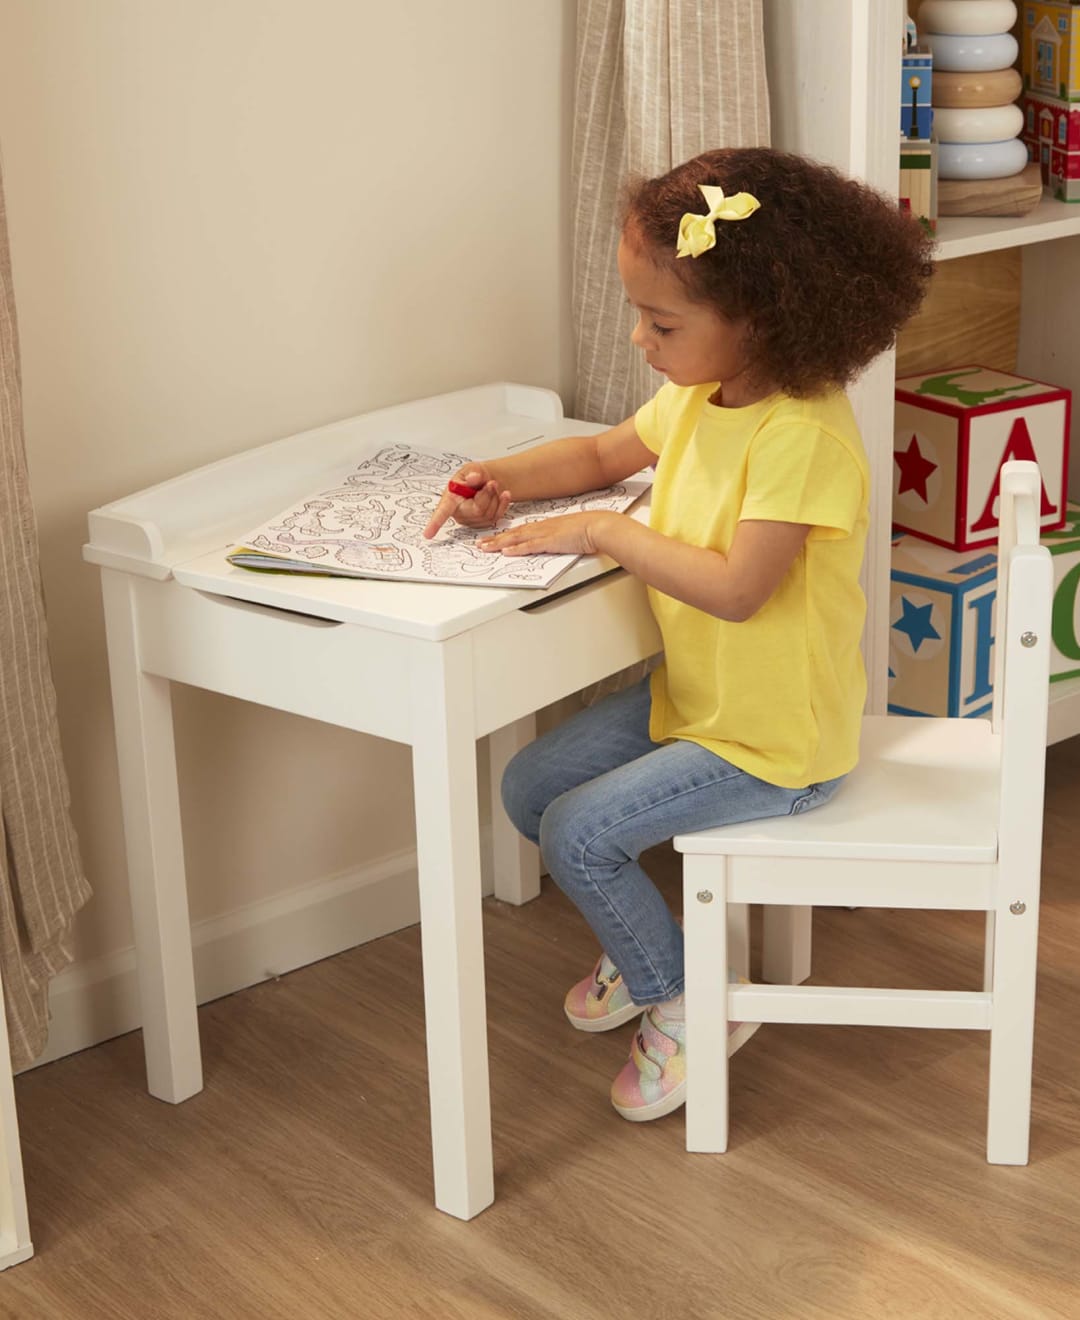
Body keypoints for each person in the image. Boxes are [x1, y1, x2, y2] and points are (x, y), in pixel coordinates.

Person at [423, 146, 932, 1122]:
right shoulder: (704, 394)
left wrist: (605, 527)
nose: (640, 339)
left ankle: (688, 1000)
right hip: (700, 706)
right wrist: (501, 477)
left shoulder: (803, 436)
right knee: (530, 789)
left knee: (579, 834)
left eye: (662, 322)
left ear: (761, 321)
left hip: (778, 743)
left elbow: (740, 591)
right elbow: (607, 451)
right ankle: (646, 949)